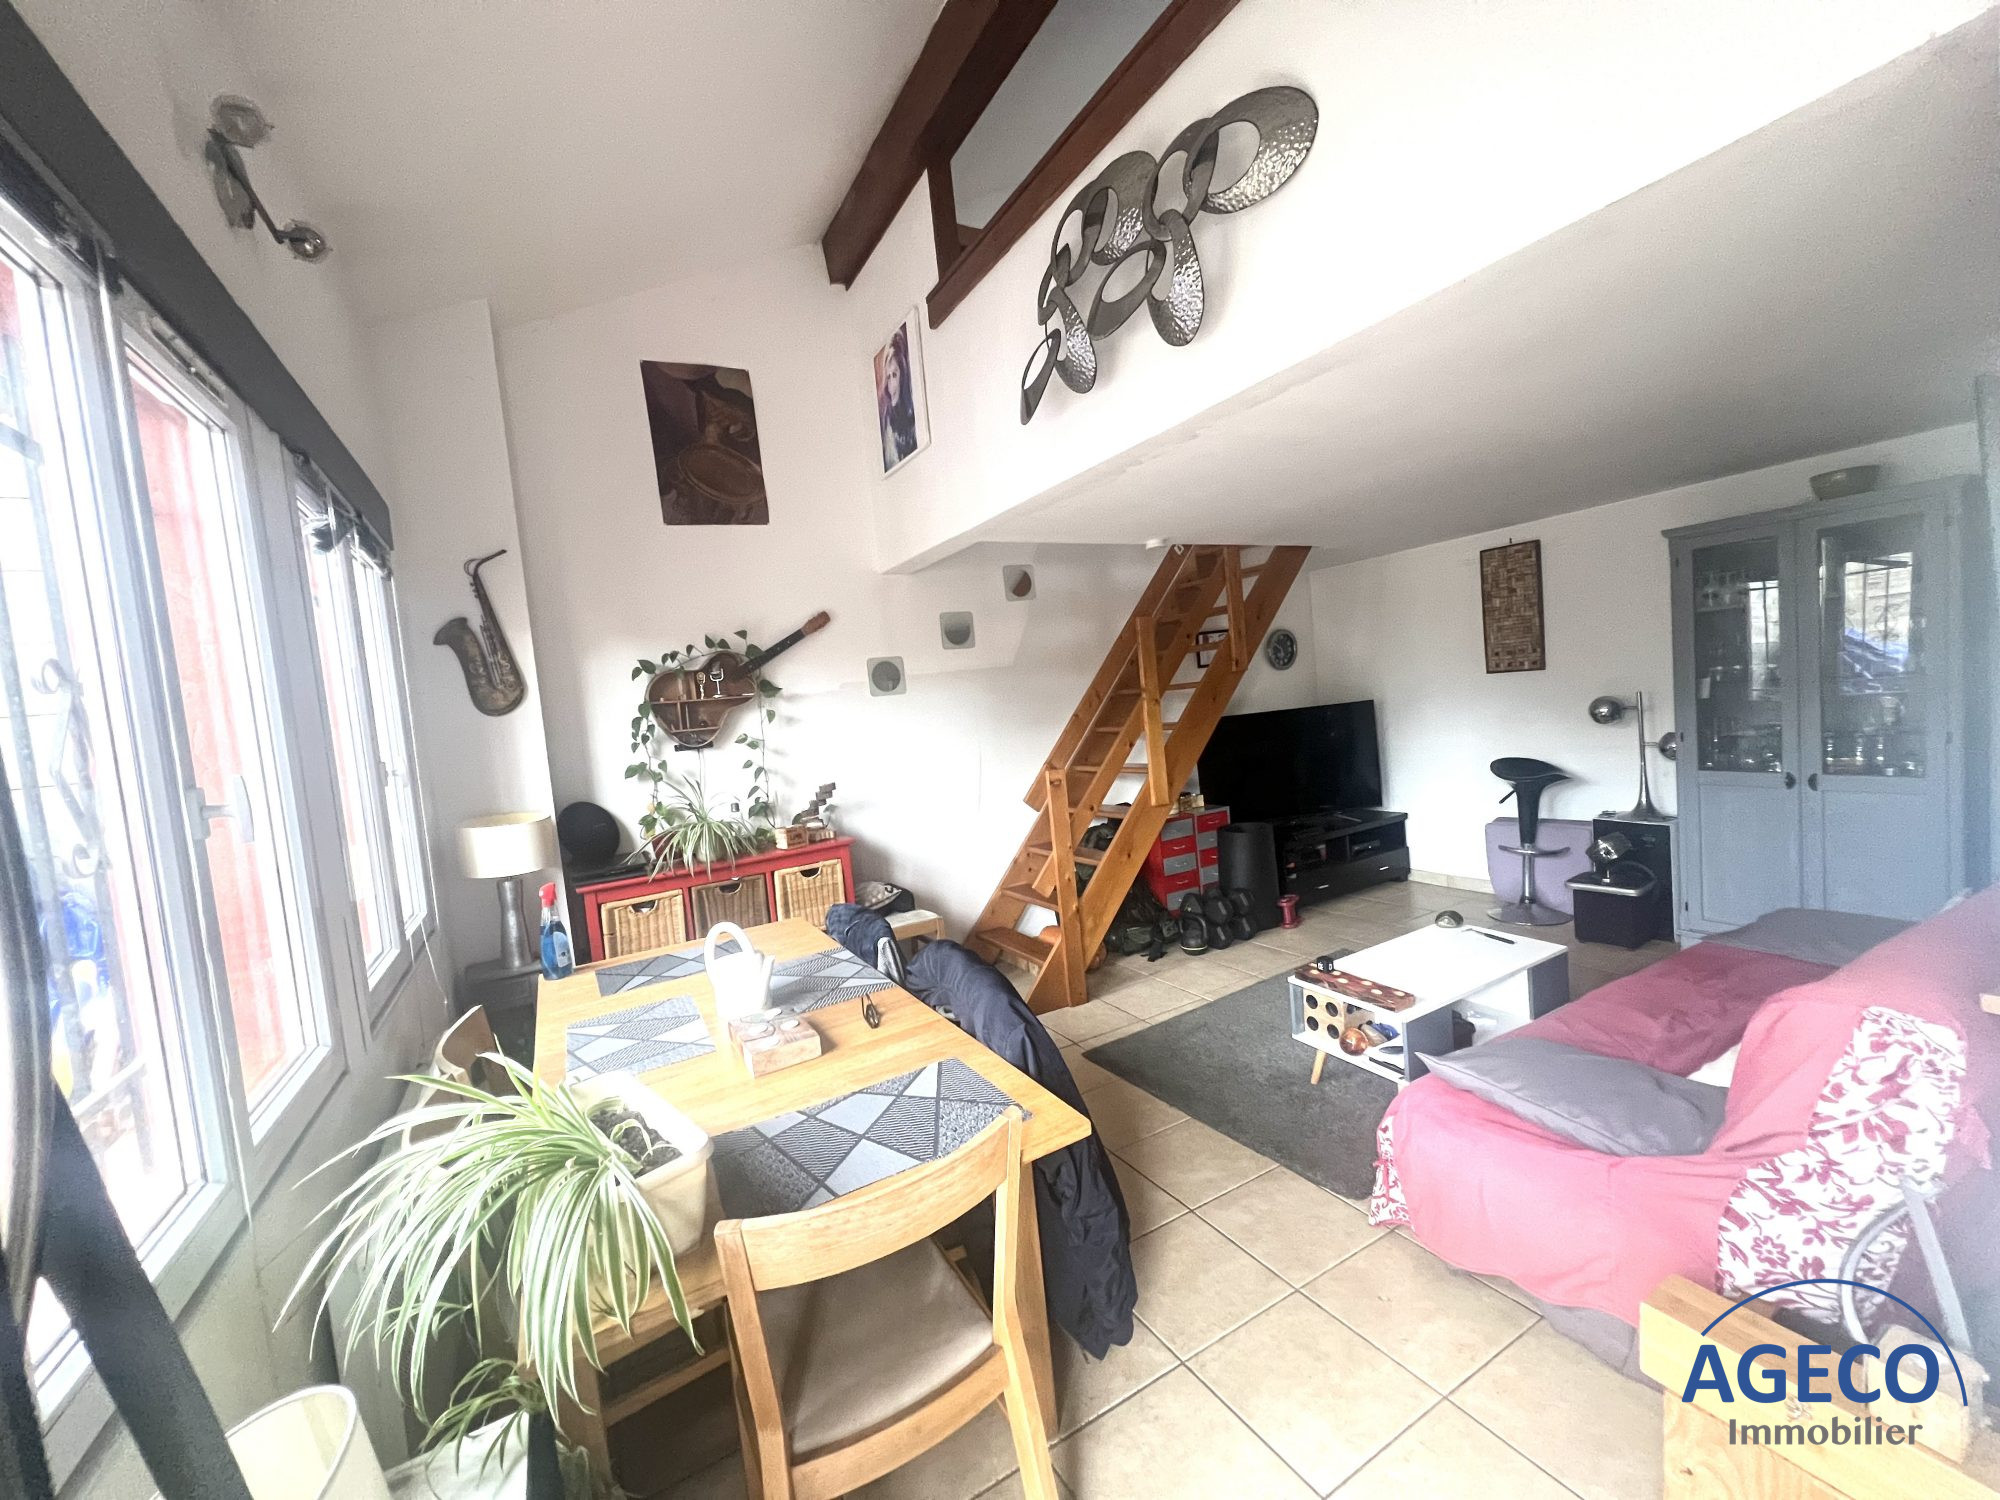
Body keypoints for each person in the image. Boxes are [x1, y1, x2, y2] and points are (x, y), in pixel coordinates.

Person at [878, 325, 918, 469]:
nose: (891, 387)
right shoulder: (887, 422)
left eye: (894, 375)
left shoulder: (913, 417)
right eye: (888, 377)